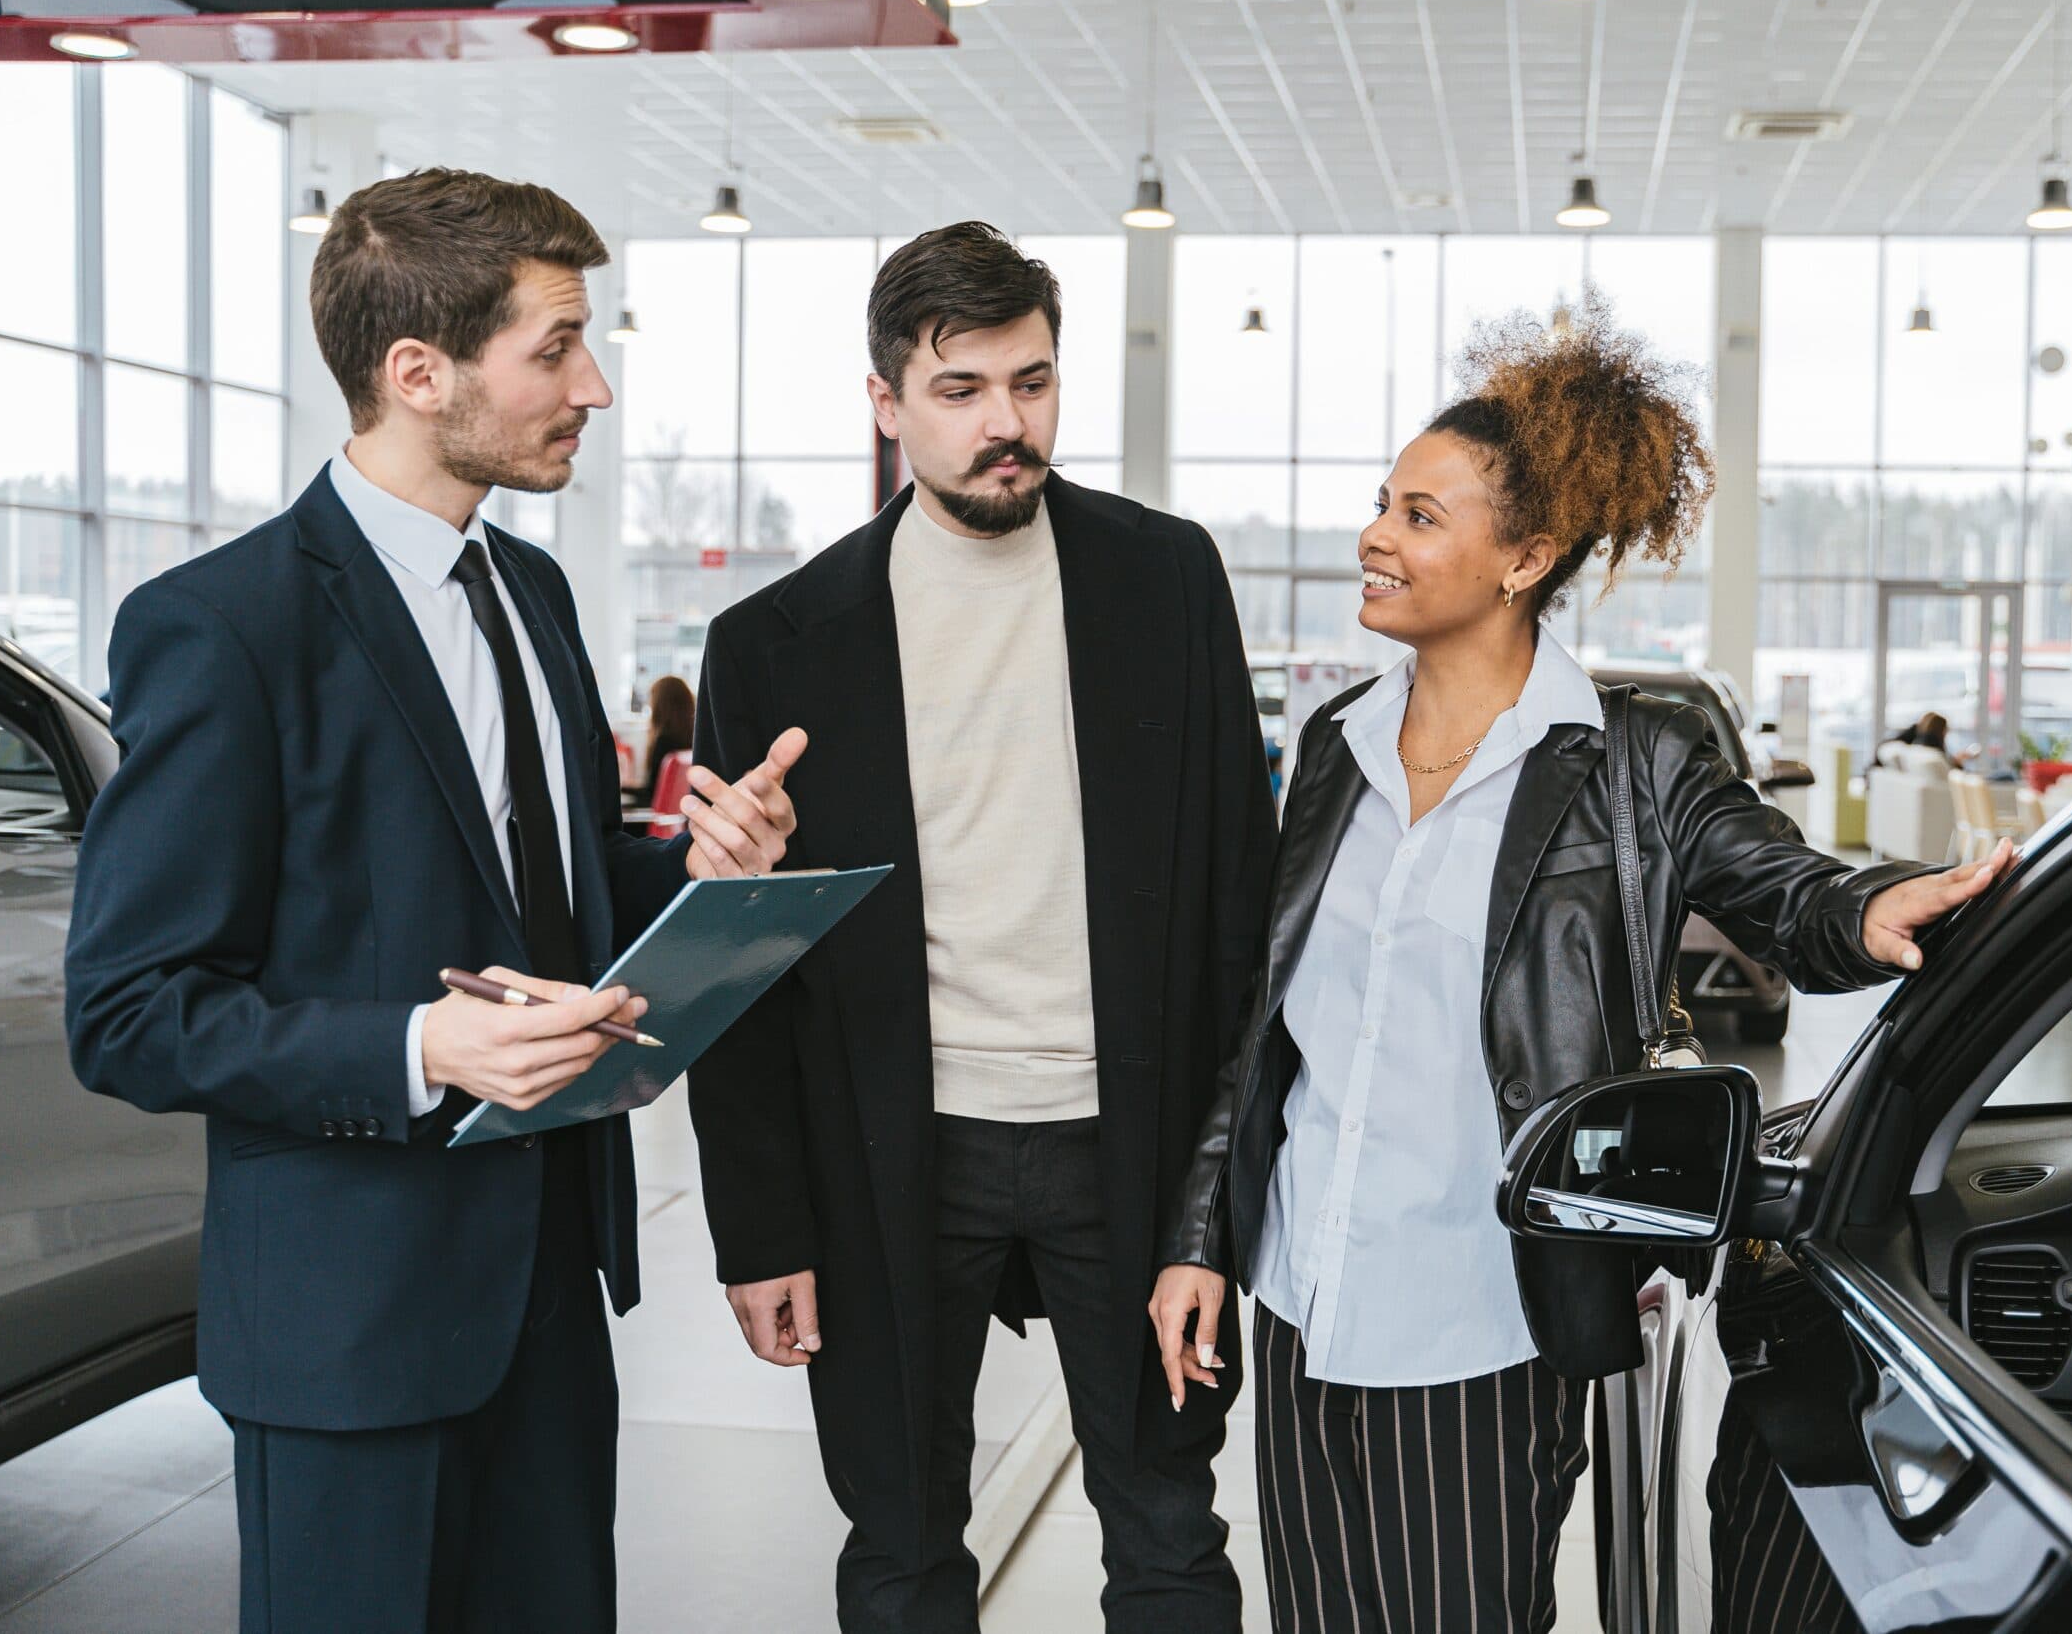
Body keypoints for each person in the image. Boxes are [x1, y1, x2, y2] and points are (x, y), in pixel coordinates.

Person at [1148, 293, 2014, 1632]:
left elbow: (1780, 885)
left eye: (1420, 516)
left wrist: (1884, 905)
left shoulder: (1630, 763)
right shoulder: (1335, 747)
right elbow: (1268, 1028)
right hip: (1306, 1297)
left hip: (1481, 1316)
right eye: (1384, 500)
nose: (1374, 535)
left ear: (1524, 556)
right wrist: (1203, 1233)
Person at [63, 168, 805, 1634]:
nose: (591, 385)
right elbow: (131, 1011)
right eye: (554, 348)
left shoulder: (529, 596)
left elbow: (551, 898)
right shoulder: (223, 627)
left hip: (545, 1283)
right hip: (347, 1315)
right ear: (418, 372)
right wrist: (420, 1047)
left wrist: (700, 866)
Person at [686, 222, 1275, 1633]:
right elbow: (742, 967)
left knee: (1166, 1519)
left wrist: (1220, 1203)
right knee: (897, 1535)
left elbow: (1237, 909)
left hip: (1118, 1141)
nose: (1007, 423)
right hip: (893, 1150)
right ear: (886, 401)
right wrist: (757, 1230)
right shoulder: (772, 640)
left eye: (1033, 381)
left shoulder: (1168, 579)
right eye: (960, 389)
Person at [625, 672, 694, 806]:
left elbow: (651, 794)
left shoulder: (664, 741)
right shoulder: (690, 739)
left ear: (659, 705)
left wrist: (620, 786)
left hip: (650, 818)